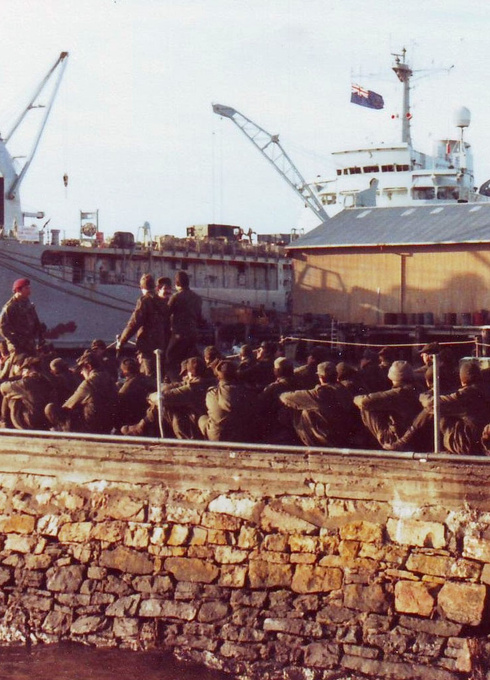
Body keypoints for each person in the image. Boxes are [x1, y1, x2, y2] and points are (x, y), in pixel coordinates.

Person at [280, 361, 355, 447]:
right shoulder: (342, 389)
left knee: (304, 411)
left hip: (328, 438)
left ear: (321, 377)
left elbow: (287, 398)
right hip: (342, 434)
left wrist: (280, 393)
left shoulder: (320, 393)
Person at [353, 360, 422, 450]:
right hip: (415, 436)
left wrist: (354, 399)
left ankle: (379, 442)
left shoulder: (398, 393)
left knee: (366, 408)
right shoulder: (418, 388)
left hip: (398, 437)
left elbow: (364, 401)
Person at [45, 350, 118, 434]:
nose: (81, 372)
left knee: (50, 408)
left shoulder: (89, 383)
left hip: (90, 427)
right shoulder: (108, 378)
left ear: (89, 367)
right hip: (107, 425)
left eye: (82, 369)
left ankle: (63, 433)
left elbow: (68, 405)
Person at [117, 274, 169, 377]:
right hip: (161, 343)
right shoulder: (162, 301)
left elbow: (134, 323)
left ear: (141, 287)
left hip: (147, 345)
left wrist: (122, 341)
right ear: (154, 286)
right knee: (158, 374)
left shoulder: (144, 301)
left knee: (148, 375)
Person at [199, 360, 258, 442]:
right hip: (241, 435)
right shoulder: (245, 391)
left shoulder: (212, 392)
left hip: (217, 436)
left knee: (202, 418)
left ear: (218, 376)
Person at [0, 278, 45, 372]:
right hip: (17, 345)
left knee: (35, 366)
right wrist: (13, 341)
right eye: (26, 288)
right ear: (18, 290)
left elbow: (35, 320)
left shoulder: (27, 302)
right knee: (17, 367)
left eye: (29, 288)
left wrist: (40, 334)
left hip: (29, 342)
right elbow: (2, 327)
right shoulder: (10, 307)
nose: (29, 290)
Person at [166, 271, 203, 381]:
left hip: (179, 334)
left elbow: (165, 314)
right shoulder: (197, 298)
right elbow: (199, 316)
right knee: (189, 359)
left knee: (170, 358)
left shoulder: (176, 297)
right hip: (193, 333)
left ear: (177, 284)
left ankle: (175, 381)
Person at [0, 356, 54, 430]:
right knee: (15, 395)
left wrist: (17, 378)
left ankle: (4, 424)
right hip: (45, 421)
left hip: (30, 423)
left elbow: (3, 387)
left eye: (24, 370)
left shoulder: (26, 383)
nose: (23, 373)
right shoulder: (46, 380)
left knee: (9, 397)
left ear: (30, 369)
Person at [258, 357, 300, 445]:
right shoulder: (300, 383)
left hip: (277, 429)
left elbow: (260, 405)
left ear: (277, 371)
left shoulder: (273, 388)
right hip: (296, 428)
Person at [116, 357, 153, 430]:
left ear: (125, 372)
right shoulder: (146, 379)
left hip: (132, 422)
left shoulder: (125, 389)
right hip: (146, 417)